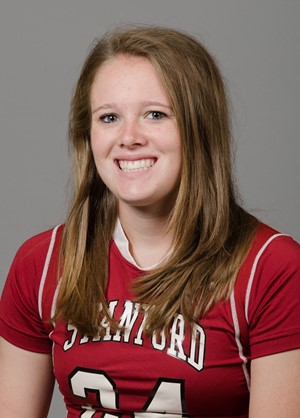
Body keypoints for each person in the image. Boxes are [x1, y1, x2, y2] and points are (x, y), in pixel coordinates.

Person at [0, 25, 300, 418]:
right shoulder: (41, 264)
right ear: (87, 136)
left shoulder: (272, 268)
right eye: (108, 118)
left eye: (155, 115)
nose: (128, 137)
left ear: (199, 127)